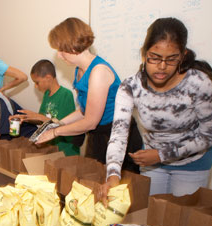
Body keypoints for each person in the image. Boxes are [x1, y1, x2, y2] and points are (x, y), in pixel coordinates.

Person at [100, 17, 212, 202]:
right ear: (144, 54)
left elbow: (211, 135)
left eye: (171, 59)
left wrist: (161, 155)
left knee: (181, 223)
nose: (162, 66)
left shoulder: (199, 83)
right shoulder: (131, 86)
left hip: (192, 165)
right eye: (155, 58)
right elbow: (118, 134)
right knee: (151, 220)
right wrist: (113, 175)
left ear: (183, 55)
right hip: (152, 165)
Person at [37, 18, 141, 171]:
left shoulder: (98, 72)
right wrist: (58, 123)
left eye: (61, 50)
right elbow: (84, 110)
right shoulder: (79, 69)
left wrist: (55, 132)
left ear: (73, 46)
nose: (59, 56)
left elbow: (90, 121)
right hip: (99, 135)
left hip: (117, 135)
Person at [12, 59, 82, 156]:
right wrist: (26, 118)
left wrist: (39, 116)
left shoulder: (66, 94)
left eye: (37, 82)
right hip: (51, 149)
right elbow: (42, 120)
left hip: (66, 151)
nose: (36, 86)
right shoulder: (47, 95)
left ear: (48, 78)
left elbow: (62, 125)